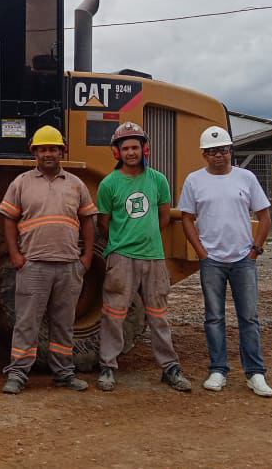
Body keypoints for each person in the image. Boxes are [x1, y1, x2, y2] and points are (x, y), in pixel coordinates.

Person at [0, 125, 97, 394]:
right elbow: (9, 220)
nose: (48, 154)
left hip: (68, 266)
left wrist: (86, 257)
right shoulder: (21, 183)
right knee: (26, 323)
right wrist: (15, 255)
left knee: (63, 324)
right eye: (42, 149)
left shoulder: (76, 184)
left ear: (62, 151)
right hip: (33, 265)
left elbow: (88, 221)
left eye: (53, 149)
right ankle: (18, 374)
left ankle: (64, 373)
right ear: (34, 153)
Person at [95, 122, 191, 393]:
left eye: (135, 147)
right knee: (114, 314)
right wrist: (124, 241)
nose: (131, 152)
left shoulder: (158, 180)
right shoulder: (108, 184)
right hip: (121, 258)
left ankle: (170, 367)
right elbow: (104, 224)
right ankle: (107, 366)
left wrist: (145, 238)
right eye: (125, 148)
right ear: (117, 152)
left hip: (153, 257)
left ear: (144, 149)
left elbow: (163, 217)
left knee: (158, 315)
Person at [179, 126, 272, 398]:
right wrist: (201, 252)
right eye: (212, 151)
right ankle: (218, 369)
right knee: (214, 317)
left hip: (243, 259)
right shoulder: (194, 181)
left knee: (249, 317)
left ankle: (255, 373)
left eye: (222, 150)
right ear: (204, 154)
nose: (218, 155)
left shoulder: (246, 178)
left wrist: (255, 250)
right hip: (212, 260)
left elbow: (264, 216)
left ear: (231, 151)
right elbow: (187, 218)